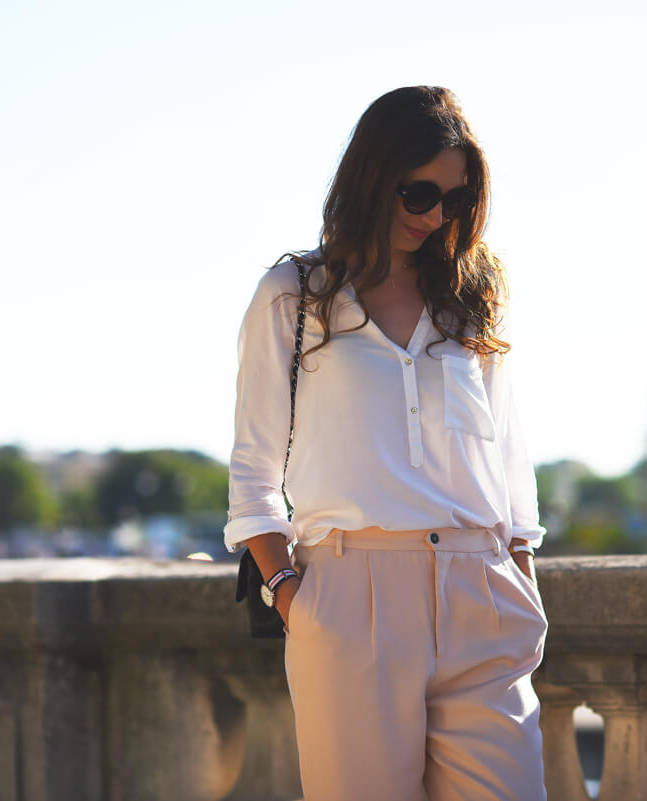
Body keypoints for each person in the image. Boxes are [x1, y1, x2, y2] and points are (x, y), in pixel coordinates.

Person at [223, 86, 549, 801]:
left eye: (456, 201)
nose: (436, 215)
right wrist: (292, 596)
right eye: (419, 192)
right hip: (351, 601)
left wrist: (519, 568)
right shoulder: (293, 296)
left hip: (480, 592)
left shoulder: (469, 297)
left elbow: (508, 457)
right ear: (372, 176)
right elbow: (253, 476)